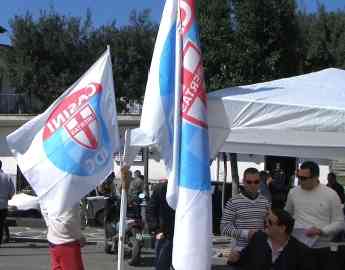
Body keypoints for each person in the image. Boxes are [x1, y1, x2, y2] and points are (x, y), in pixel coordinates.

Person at [285, 161, 345, 270]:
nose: (300, 181)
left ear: (316, 177)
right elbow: (287, 214)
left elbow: (340, 222)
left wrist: (321, 231)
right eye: (299, 177)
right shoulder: (293, 192)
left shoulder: (330, 194)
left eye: (304, 178)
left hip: (322, 248)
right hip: (298, 246)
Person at [227, 208, 314, 270]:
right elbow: (243, 260)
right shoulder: (258, 238)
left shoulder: (301, 251)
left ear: (282, 228)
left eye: (270, 222)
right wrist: (235, 259)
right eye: (265, 221)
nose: (266, 224)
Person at [221, 167, 271, 250]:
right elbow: (224, 228)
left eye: (256, 182)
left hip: (259, 249)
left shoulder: (265, 202)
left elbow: (268, 225)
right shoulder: (233, 202)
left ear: (260, 182)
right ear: (243, 182)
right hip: (239, 250)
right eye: (249, 182)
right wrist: (245, 233)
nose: (253, 185)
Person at [41, 203, 86, 270]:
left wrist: (50, 226)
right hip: (67, 241)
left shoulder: (47, 197)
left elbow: (44, 211)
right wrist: (79, 236)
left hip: (53, 239)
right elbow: (68, 221)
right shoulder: (69, 198)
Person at [147, 180, 175, 270]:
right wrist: (156, 230)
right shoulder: (161, 188)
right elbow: (150, 209)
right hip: (165, 233)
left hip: (181, 233)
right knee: (162, 263)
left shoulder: (185, 188)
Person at [0, 160, 15, 246]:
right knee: (2, 223)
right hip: (3, 204)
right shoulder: (7, 177)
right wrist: (8, 196)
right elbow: (12, 191)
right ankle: (3, 238)